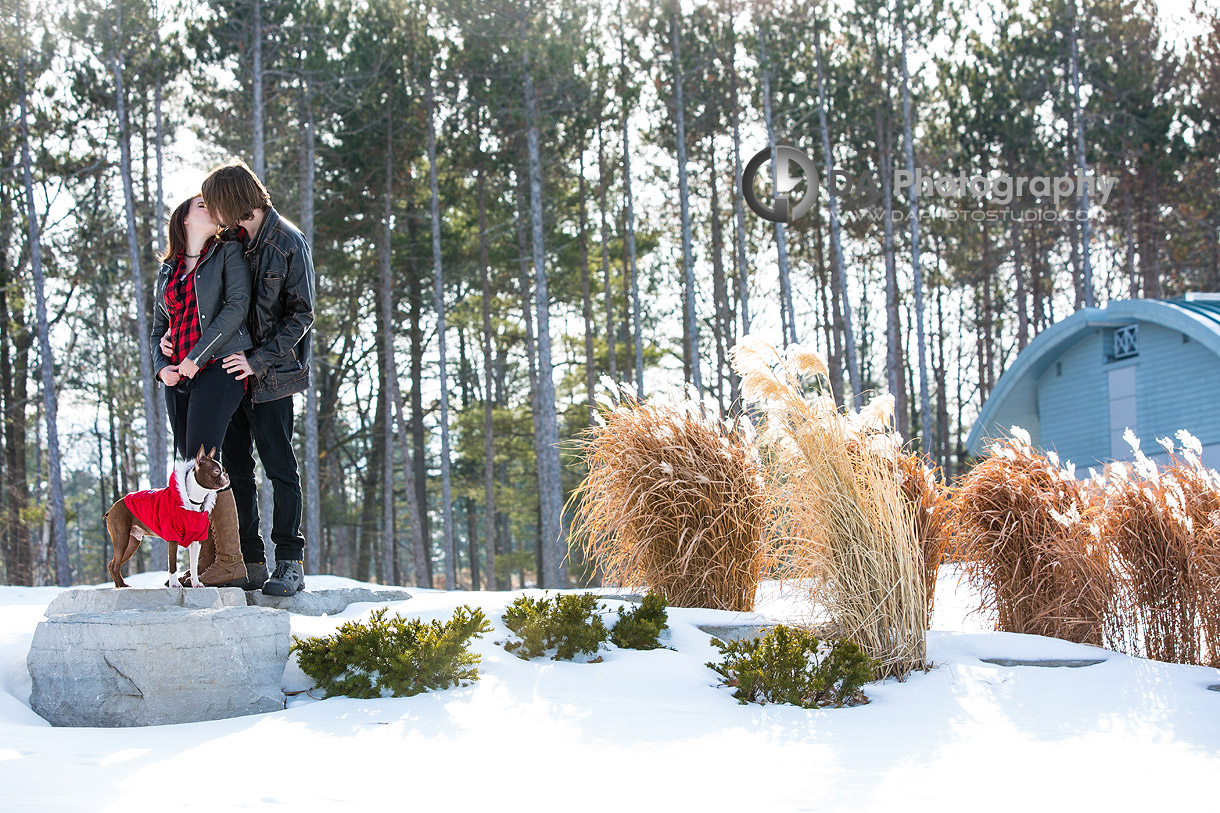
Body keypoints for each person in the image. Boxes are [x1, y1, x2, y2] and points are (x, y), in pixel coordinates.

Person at [200, 158, 315, 597]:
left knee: (280, 468)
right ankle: (249, 562)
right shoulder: (230, 241)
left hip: (272, 377)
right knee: (236, 472)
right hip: (228, 380)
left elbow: (301, 315)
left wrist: (257, 359)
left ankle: (289, 562)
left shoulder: (288, 241)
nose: (212, 214)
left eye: (215, 204)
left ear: (233, 200)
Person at [151, 194, 252, 586]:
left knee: (202, 462)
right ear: (184, 219)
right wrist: (163, 369)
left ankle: (229, 560)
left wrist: (195, 355)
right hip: (179, 378)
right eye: (199, 204)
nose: (209, 206)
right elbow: (158, 330)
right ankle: (202, 567)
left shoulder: (228, 253)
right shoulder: (167, 271)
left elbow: (236, 307)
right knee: (189, 466)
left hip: (218, 366)